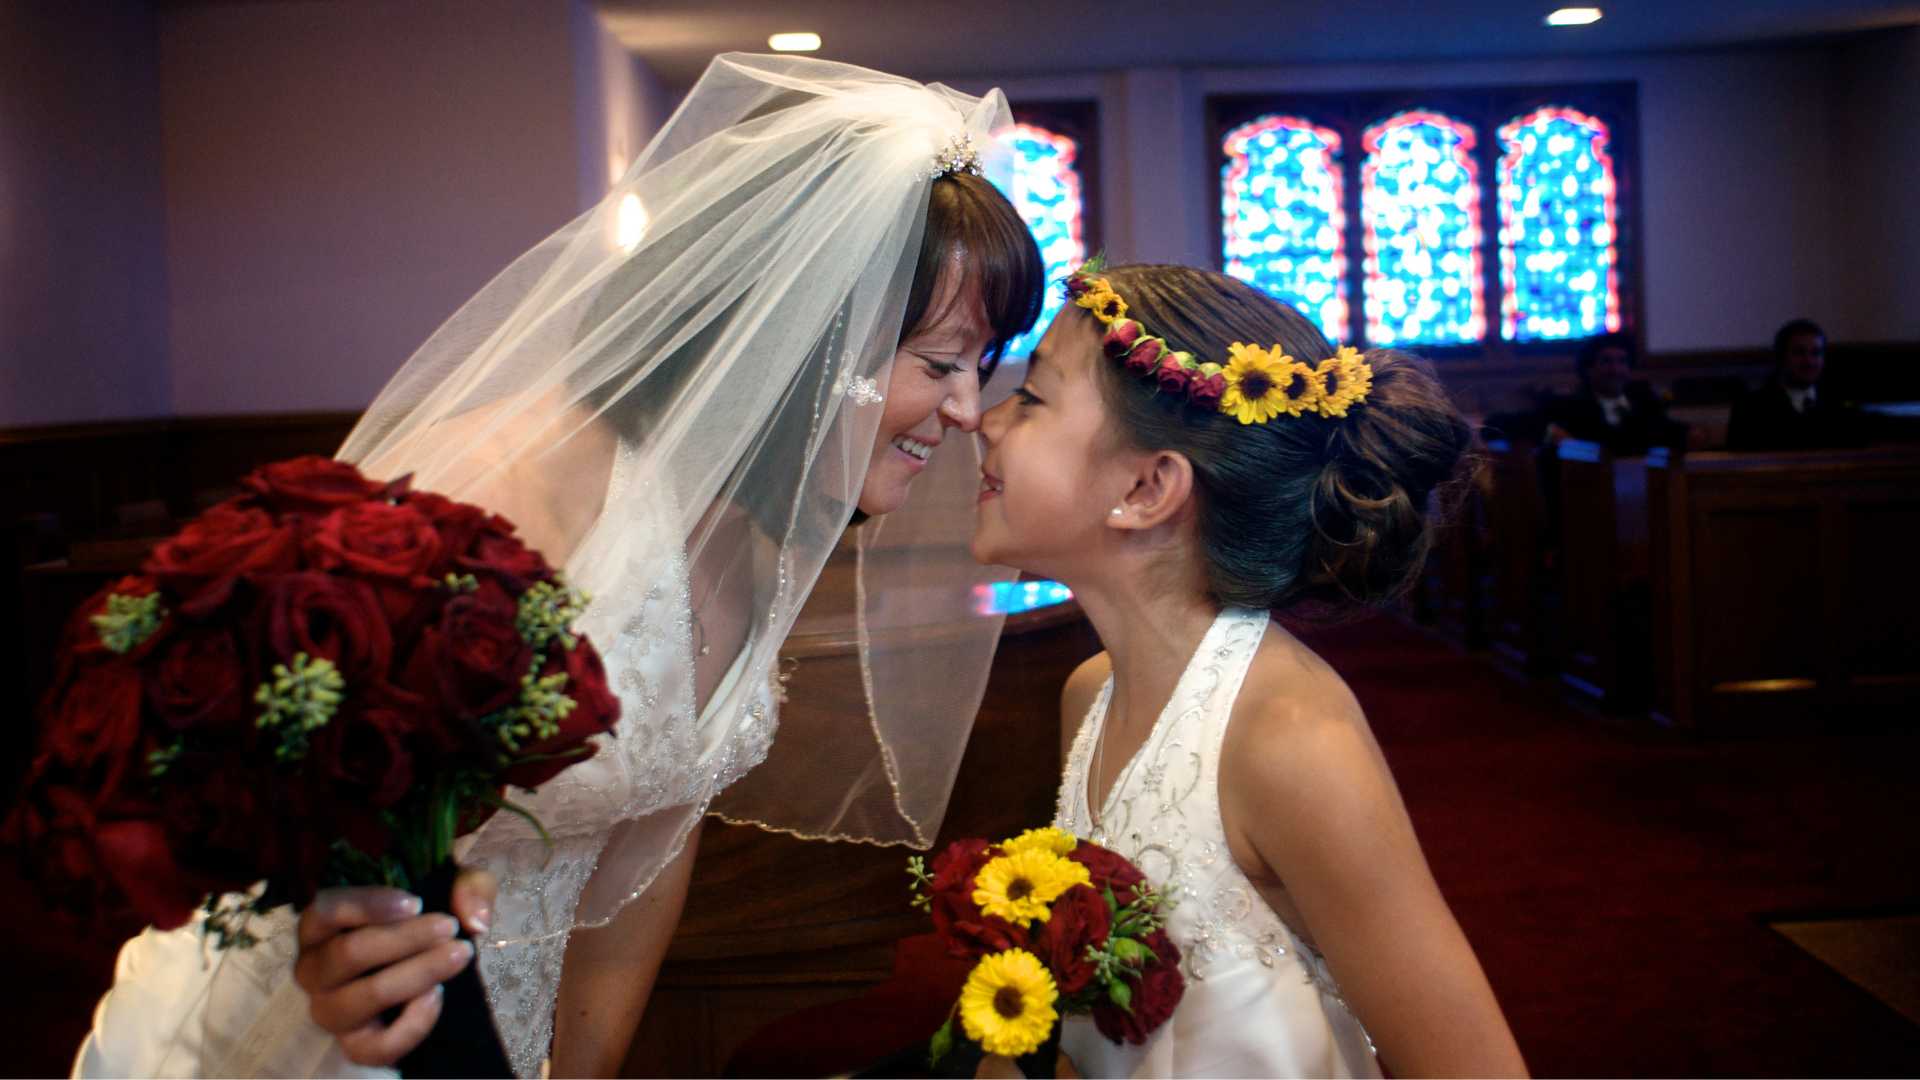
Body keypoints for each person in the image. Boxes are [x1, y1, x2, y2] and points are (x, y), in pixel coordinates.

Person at [75, 54, 1043, 1078]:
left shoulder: (759, 533)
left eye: (980, 371)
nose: (965, 412)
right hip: (337, 1016)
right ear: (812, 337)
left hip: (510, 1026)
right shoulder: (521, 489)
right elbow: (297, 772)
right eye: (940, 365)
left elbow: (639, 868)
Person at [971, 263, 1526, 1077]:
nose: (984, 421)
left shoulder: (1290, 739)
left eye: (1032, 398)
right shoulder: (1088, 694)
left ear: (1148, 486)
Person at [1540, 331, 1685, 455]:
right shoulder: (1570, 409)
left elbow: (1669, 432)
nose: (1615, 370)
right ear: (1589, 369)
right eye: (1606, 361)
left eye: (1622, 361)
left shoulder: (1646, 405)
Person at [1726, 318, 1860, 451]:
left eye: (1816, 353)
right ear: (1781, 357)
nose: (1809, 361)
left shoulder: (1840, 407)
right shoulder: (1750, 409)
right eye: (1799, 353)